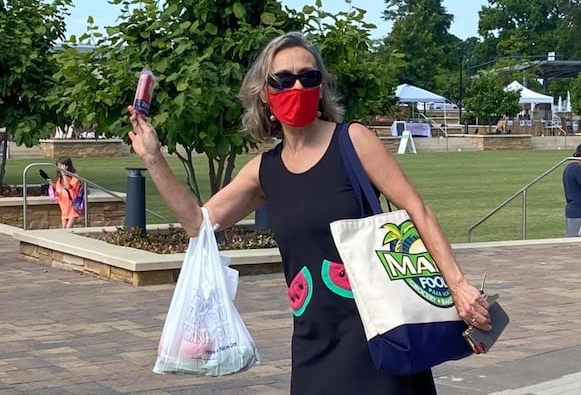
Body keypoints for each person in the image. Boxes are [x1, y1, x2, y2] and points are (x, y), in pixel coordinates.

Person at [127, 31, 490, 395]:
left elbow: (416, 209)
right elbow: (197, 224)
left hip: (382, 334)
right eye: (283, 79)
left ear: (321, 88)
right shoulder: (264, 171)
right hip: (313, 345)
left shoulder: (353, 141)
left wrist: (458, 285)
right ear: (264, 94)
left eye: (309, 76)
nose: (297, 85)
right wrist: (153, 157)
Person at [46, 156, 81, 228]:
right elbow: (58, 191)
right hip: (64, 206)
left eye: (60, 166)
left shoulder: (74, 176)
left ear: (66, 166)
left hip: (72, 207)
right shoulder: (59, 178)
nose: (58, 168)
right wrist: (52, 185)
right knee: (64, 228)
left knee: (67, 229)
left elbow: (68, 187)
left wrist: (64, 174)